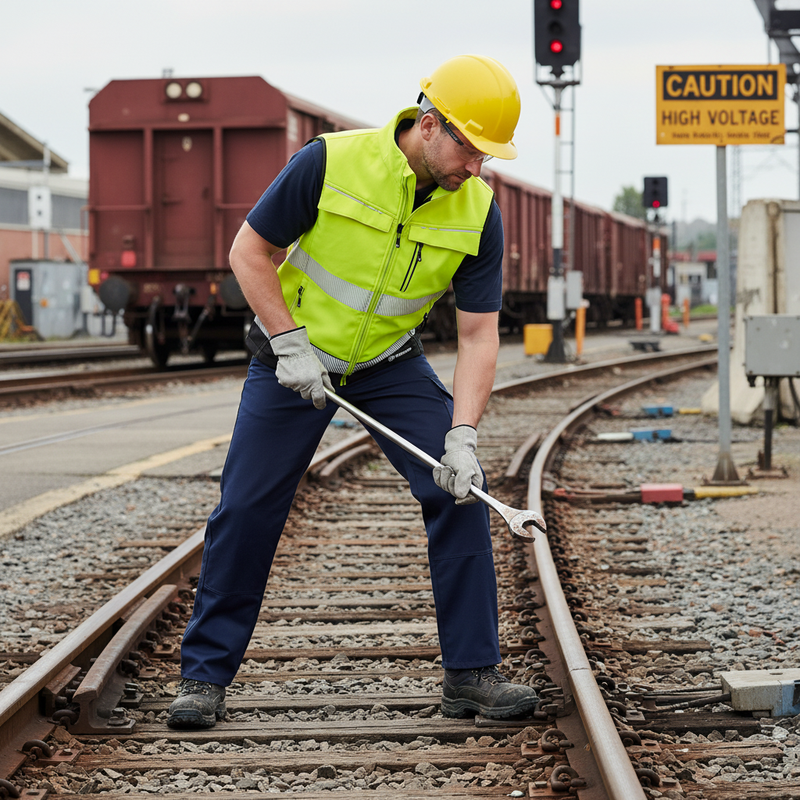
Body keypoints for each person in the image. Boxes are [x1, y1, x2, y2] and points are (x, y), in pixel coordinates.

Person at [167, 54, 540, 729]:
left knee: (458, 490)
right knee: (246, 509)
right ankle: (203, 678)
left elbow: (480, 334)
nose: (476, 169)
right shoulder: (328, 162)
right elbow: (247, 253)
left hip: (389, 365)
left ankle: (471, 674)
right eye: (470, 149)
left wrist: (462, 434)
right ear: (429, 125)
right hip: (293, 357)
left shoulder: (480, 210)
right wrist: (287, 343)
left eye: (488, 156)